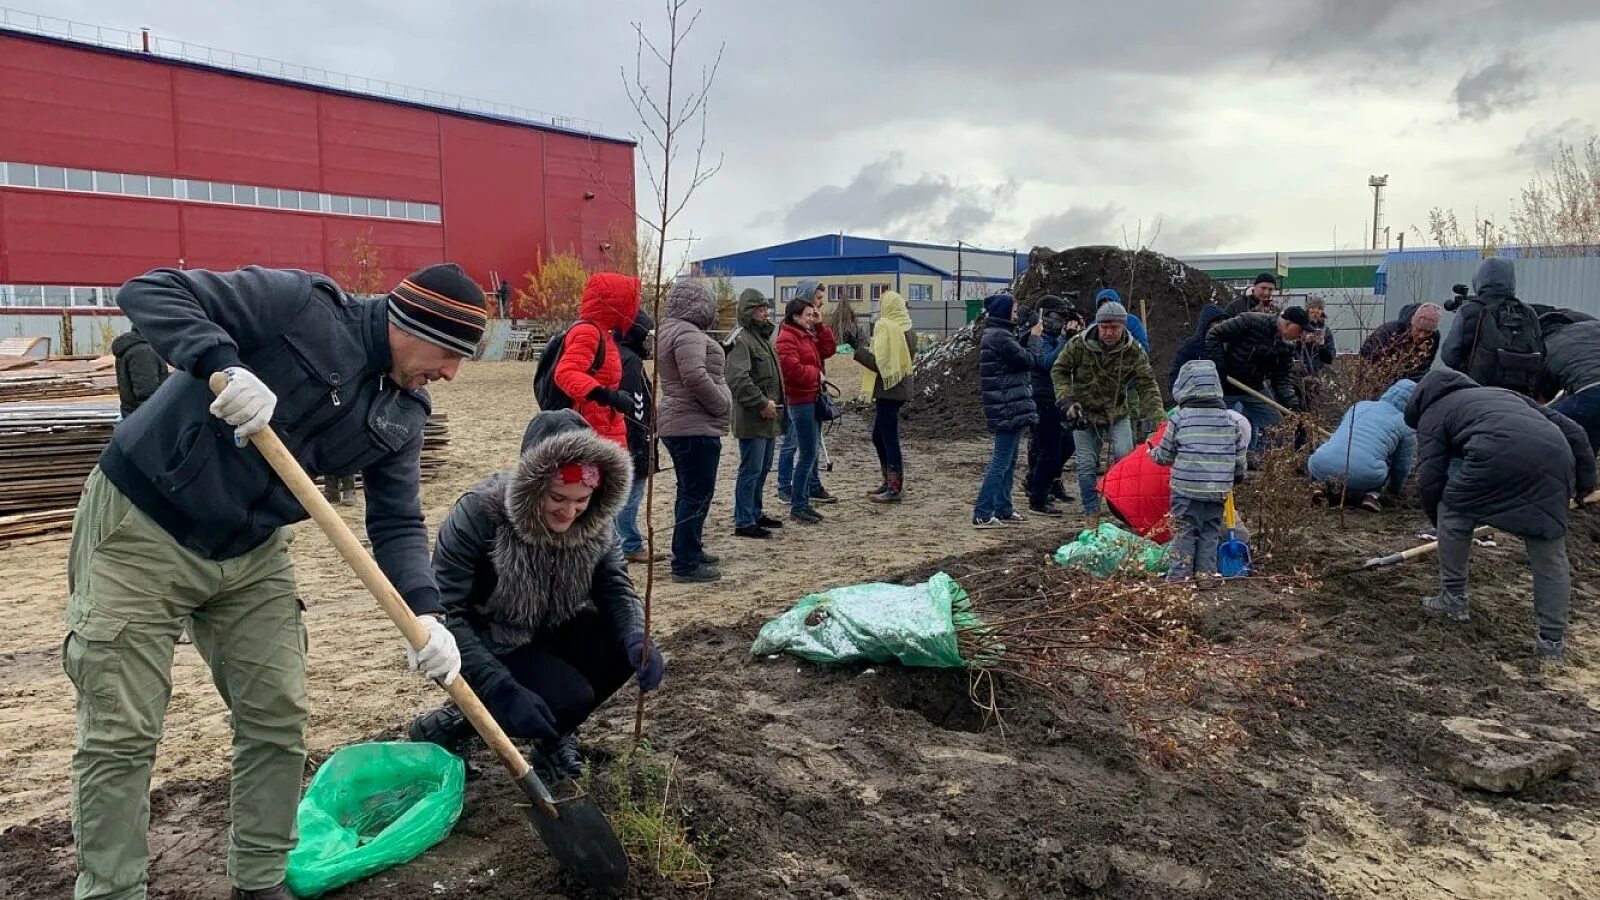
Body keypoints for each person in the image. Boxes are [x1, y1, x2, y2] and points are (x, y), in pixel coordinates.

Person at [68, 263, 482, 900]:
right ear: (411, 325)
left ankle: (260, 882)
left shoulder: (403, 411)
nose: (452, 374)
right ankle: (113, 890)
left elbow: (396, 519)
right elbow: (148, 289)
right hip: (143, 526)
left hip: (253, 550)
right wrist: (223, 364)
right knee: (122, 732)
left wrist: (426, 613)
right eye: (450, 353)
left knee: (277, 715)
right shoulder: (301, 307)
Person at [410, 410, 662, 780]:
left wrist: (637, 635)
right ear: (533, 484)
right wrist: (501, 688)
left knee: (621, 646)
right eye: (558, 498)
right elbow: (447, 615)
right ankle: (449, 725)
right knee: (567, 697)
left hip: (549, 625)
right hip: (487, 638)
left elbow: (616, 588)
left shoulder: (595, 522)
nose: (569, 512)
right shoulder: (479, 513)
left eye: (581, 500)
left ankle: (554, 737)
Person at [1405, 369, 1595, 663]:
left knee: (1454, 512)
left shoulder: (1433, 412)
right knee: (1550, 555)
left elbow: (1429, 478)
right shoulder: (1505, 394)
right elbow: (1576, 433)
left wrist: (1439, 521)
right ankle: (1552, 642)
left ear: (1420, 400)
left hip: (1492, 457)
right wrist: (1584, 485)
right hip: (1554, 461)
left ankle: (1453, 600)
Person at [1051, 301, 1162, 515]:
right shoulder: (1078, 344)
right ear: (1097, 325)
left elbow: (1147, 385)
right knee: (1086, 466)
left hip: (1117, 413)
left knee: (1126, 459)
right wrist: (1066, 400)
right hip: (1083, 412)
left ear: (1123, 327)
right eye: (1104, 327)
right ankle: (1091, 513)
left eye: (1114, 328)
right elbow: (1060, 370)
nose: (1109, 332)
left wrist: (1158, 419)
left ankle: (1122, 508)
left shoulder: (1133, 351)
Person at [655, 279, 731, 583]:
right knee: (697, 494)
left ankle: (690, 550)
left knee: (689, 492)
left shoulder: (671, 330)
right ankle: (685, 562)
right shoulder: (686, 332)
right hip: (693, 424)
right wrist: (721, 404)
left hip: (682, 423)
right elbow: (695, 376)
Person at [1150, 360, 1247, 581]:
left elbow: (1165, 455)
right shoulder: (1229, 421)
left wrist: (1152, 453)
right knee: (1210, 531)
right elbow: (1239, 456)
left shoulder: (1179, 418)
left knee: (1185, 531)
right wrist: (1238, 476)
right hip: (1217, 490)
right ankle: (1206, 576)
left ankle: (1179, 579)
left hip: (1186, 489)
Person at [973, 293, 1040, 527]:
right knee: (1001, 460)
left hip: (1007, 405)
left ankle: (1003, 507)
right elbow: (1028, 360)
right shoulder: (1000, 336)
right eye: (1013, 310)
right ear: (1004, 312)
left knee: (1009, 460)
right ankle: (983, 511)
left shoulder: (998, 335)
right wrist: (1034, 338)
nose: (1016, 314)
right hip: (1007, 407)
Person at [553, 272, 642, 448]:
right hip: (591, 431)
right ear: (613, 303)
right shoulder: (588, 332)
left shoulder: (603, 333)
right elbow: (566, 373)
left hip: (603, 427)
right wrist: (608, 396)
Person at [725, 289, 787, 538]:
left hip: (769, 416)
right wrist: (760, 403)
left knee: (762, 468)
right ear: (749, 311)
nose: (765, 313)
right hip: (753, 416)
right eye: (760, 309)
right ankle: (744, 520)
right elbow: (738, 378)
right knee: (750, 469)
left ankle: (755, 511)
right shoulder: (741, 339)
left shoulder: (761, 337)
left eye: (766, 308)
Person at [1204, 306, 1307, 454]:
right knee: (1213, 423)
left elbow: (1281, 380)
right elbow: (1213, 335)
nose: (1301, 335)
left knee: (1277, 425)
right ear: (1288, 324)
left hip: (1254, 387)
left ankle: (1268, 462)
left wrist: (1294, 407)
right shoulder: (1251, 321)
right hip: (1225, 385)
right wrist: (1219, 369)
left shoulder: (1287, 347)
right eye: (1300, 330)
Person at [1306, 379, 1417, 511]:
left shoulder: (1360, 405)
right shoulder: (1405, 424)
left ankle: (1322, 488)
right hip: (1366, 475)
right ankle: (1371, 496)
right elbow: (1401, 466)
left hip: (1320, 463)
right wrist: (1394, 490)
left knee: (1331, 451)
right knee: (1384, 460)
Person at [1441, 258, 1545, 396]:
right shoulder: (1528, 312)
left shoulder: (1470, 311)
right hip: (1523, 396)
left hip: (1478, 393)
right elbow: (1541, 351)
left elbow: (1449, 355)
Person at [776, 291, 838, 523]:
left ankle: (802, 502)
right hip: (800, 400)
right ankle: (798, 504)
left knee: (809, 454)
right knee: (807, 454)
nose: (812, 318)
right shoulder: (787, 339)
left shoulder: (806, 335)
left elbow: (828, 350)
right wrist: (816, 375)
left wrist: (821, 327)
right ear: (795, 317)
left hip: (811, 397)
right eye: (809, 315)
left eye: (814, 315)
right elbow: (791, 370)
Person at [850, 289, 916, 502]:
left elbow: (881, 365)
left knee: (888, 438)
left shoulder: (889, 328)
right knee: (879, 436)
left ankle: (894, 487)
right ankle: (889, 481)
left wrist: (858, 349)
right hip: (896, 388)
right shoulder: (906, 327)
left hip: (890, 390)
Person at [1025, 296, 1081, 515]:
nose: (1062, 321)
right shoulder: (1038, 337)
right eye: (1059, 316)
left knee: (1067, 445)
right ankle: (1038, 497)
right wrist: (1067, 339)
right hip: (1042, 397)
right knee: (1049, 451)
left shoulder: (1054, 337)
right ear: (1046, 316)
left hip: (1057, 397)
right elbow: (1047, 363)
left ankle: (1037, 482)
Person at [614, 307, 658, 564]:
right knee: (631, 493)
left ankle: (623, 541)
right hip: (633, 438)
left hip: (629, 435)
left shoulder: (623, 356)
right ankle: (629, 543)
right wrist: (641, 439)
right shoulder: (630, 361)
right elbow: (634, 404)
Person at [1538, 308, 1600, 452]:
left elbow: (1544, 394)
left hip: (1592, 394)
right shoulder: (1593, 326)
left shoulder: (1545, 343)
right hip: (1590, 392)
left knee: (1539, 424)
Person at [1360, 302, 1442, 384]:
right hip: (1378, 381)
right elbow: (1367, 359)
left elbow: (1424, 367)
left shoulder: (1433, 338)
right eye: (1419, 330)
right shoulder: (1387, 332)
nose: (1422, 336)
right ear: (1411, 324)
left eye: (1428, 332)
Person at [111, 326, 168, 418]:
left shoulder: (133, 347)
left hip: (134, 416)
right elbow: (147, 392)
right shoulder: (143, 352)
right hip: (145, 417)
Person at [1169, 304, 1231, 388]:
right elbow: (1177, 372)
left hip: (1225, 393)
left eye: (1224, 322)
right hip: (1197, 393)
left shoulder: (1229, 344)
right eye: (1218, 322)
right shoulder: (1191, 346)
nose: (1222, 325)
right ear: (1207, 324)